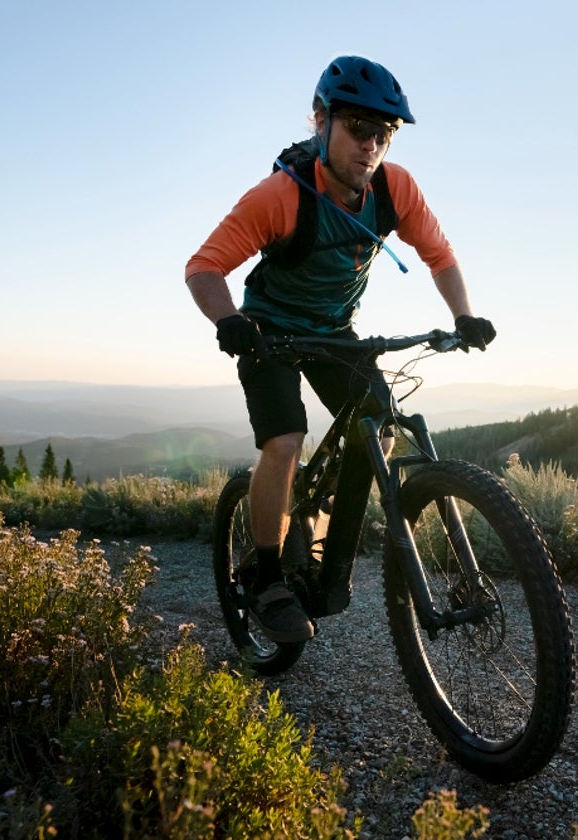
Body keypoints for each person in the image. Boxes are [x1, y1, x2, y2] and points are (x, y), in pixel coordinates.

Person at [185, 55, 496, 643]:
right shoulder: (280, 196)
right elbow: (204, 268)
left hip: (333, 333)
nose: (371, 145)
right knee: (284, 441)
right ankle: (268, 576)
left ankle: (322, 538)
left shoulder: (394, 188)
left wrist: (464, 316)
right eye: (358, 128)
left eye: (384, 133)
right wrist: (228, 321)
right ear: (320, 120)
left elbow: (441, 255)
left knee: (377, 424)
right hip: (268, 331)